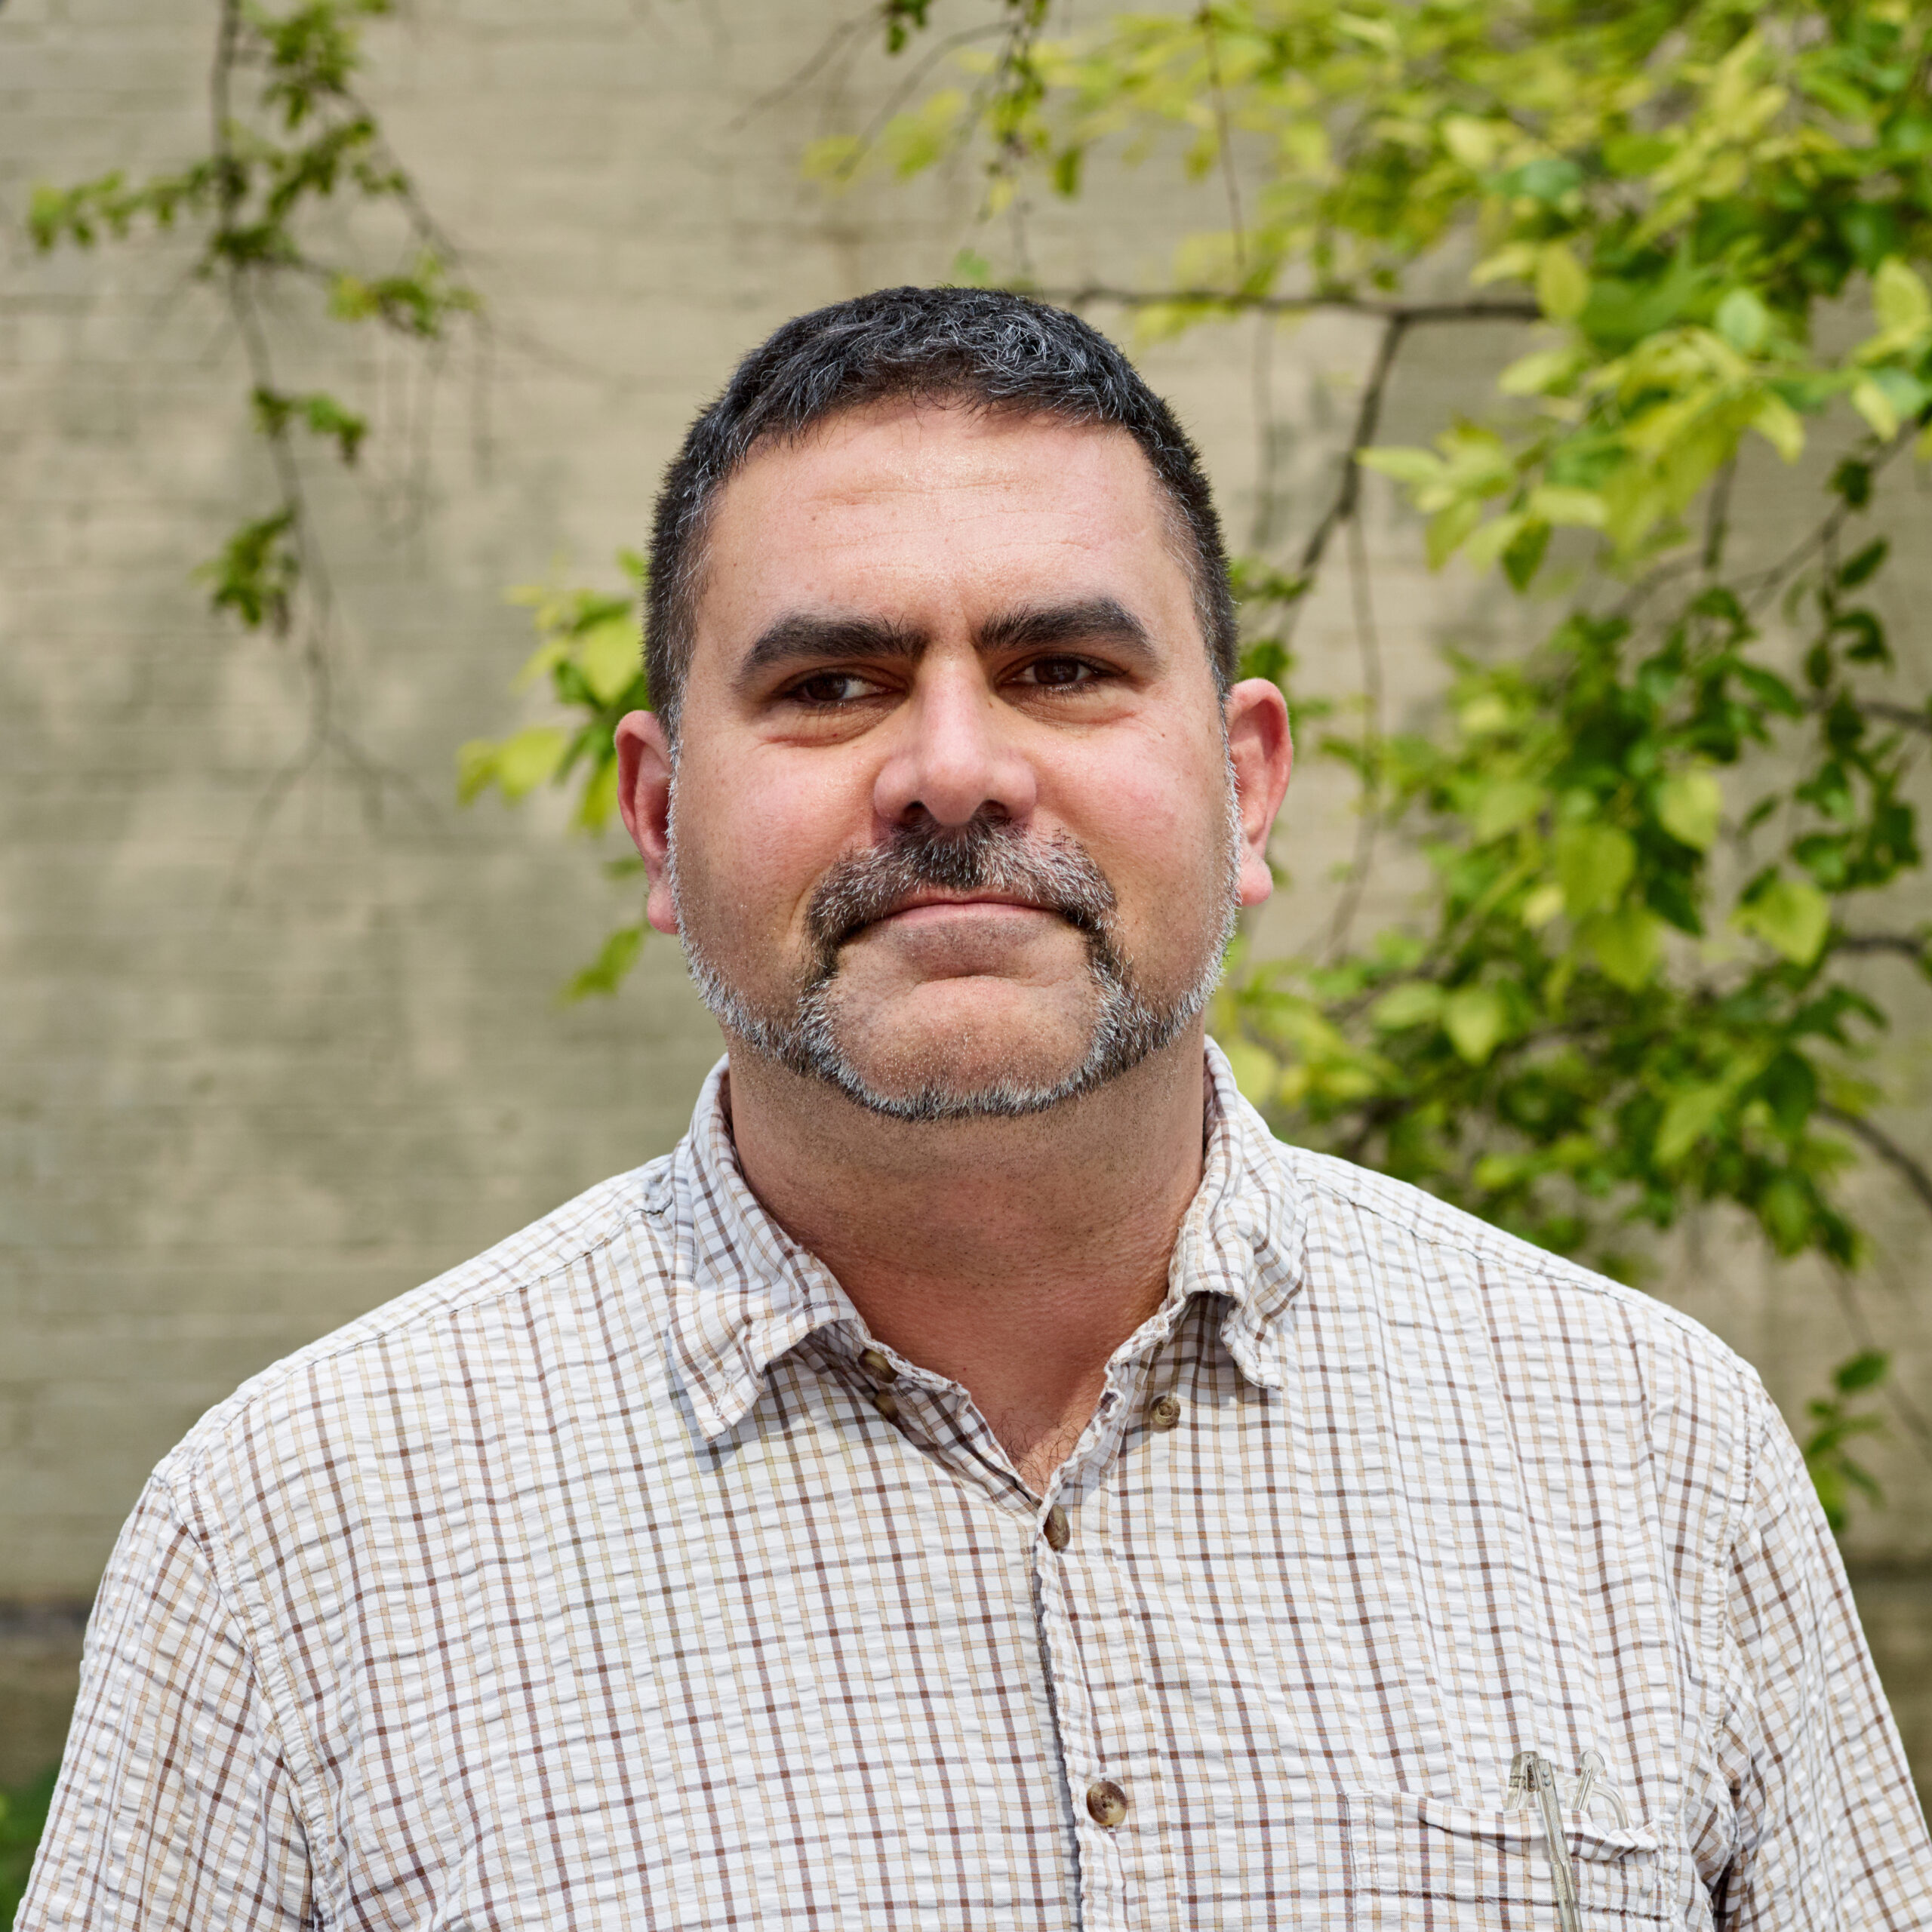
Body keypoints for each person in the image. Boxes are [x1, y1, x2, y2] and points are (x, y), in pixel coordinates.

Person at [20, 286, 1930, 1931]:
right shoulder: (300, 1534)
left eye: (1061, 668)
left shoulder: (1647, 1457)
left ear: (1246, 789)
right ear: (661, 817)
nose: (950, 771)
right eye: (833, 682)